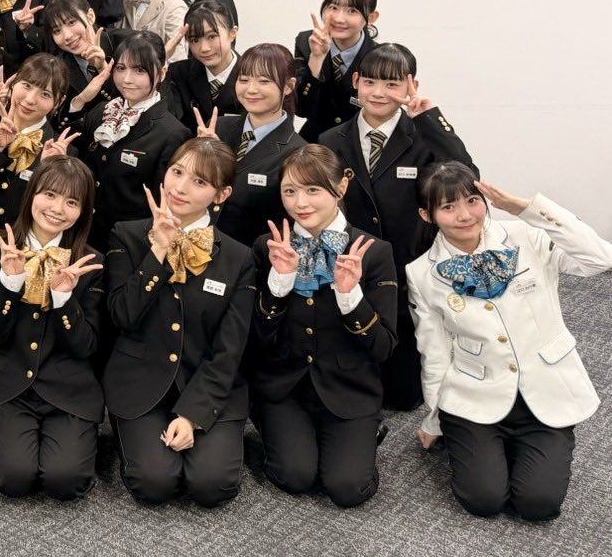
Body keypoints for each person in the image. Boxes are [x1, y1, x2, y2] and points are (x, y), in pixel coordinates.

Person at [409, 165, 609, 521]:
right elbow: (434, 351)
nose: (465, 215)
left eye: (472, 201)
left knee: (538, 504)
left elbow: (600, 259)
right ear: (428, 215)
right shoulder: (422, 272)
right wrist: (435, 418)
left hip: (544, 389)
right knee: (483, 501)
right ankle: (474, 441)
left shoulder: (526, 235)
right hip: (475, 394)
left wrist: (529, 209)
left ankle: (521, 447)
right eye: (448, 207)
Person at [319, 42, 474, 410]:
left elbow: (468, 177)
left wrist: (430, 119)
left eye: (392, 84)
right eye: (370, 82)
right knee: (350, 371)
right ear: (356, 81)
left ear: (411, 86)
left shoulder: (423, 136)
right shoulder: (331, 139)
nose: (379, 93)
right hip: (351, 266)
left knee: (402, 396)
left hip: (407, 266)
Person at [104, 139, 255, 507]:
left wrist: (192, 415)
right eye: (177, 172)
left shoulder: (239, 257)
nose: (181, 188)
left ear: (222, 194)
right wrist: (158, 251)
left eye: (199, 182)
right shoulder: (127, 235)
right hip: (141, 380)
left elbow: (229, 349)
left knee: (211, 486)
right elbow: (122, 315)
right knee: (154, 483)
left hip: (207, 385)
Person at [252, 145, 396, 507]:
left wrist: (351, 297)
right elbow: (257, 338)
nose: (300, 203)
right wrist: (278, 285)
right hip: (286, 386)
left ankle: (364, 433)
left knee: (347, 489)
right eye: (290, 191)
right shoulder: (268, 247)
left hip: (348, 387)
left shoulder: (374, 251)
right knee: (295, 476)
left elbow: (383, 347)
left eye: (313, 189)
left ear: (341, 187)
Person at [0, 156, 105, 499]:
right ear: (31, 193)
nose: (58, 209)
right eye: (49, 194)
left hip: (68, 387)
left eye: (72, 202)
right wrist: (9, 283)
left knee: (66, 481)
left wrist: (64, 299)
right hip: (8, 383)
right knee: (14, 478)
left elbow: (86, 346)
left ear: (84, 211)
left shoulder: (90, 262)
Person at [74, 29, 189, 244]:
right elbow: (73, 148)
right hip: (81, 232)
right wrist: (80, 101)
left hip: (127, 242)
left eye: (139, 70)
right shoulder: (102, 111)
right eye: (120, 68)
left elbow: (161, 201)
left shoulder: (173, 133)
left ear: (162, 73)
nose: (127, 79)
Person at [198, 42, 306, 248]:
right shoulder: (218, 127)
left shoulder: (297, 152)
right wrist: (200, 154)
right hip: (196, 247)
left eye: (264, 81)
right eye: (244, 80)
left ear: (288, 86)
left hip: (251, 256)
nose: (251, 89)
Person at [0, 54, 73, 238]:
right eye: (26, 85)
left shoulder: (64, 152)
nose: (30, 99)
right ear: (14, 82)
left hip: (23, 247)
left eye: (45, 94)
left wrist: (49, 171)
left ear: (59, 101)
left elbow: (55, 215)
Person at [294, 0, 379, 142]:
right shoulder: (306, 42)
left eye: (352, 11)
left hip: (357, 144)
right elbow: (302, 109)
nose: (339, 18)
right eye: (333, 7)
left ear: (371, 17)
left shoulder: (377, 57)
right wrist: (316, 58)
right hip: (314, 144)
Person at [164, 0, 241, 124]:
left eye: (212, 37)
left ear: (232, 33)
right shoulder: (178, 73)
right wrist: (164, 56)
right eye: (194, 40)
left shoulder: (252, 76)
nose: (204, 48)